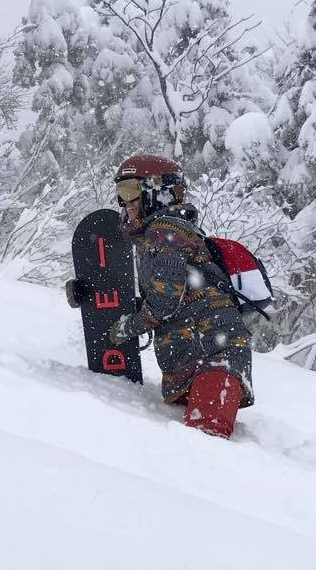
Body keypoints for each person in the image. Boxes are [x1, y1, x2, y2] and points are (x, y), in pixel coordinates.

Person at [108, 154, 254, 438]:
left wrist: (127, 327)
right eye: (120, 193)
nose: (125, 204)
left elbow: (164, 304)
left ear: (157, 191)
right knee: (194, 446)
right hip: (199, 363)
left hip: (215, 360)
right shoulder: (161, 236)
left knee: (205, 450)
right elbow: (172, 296)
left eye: (130, 191)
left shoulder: (164, 233)